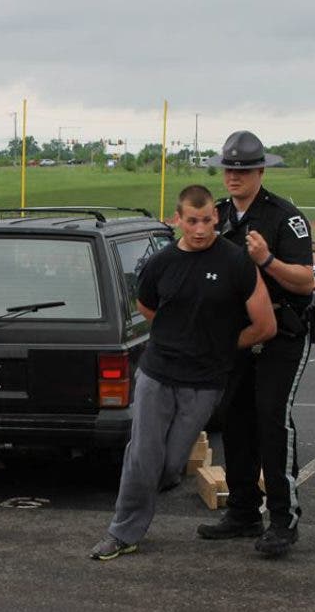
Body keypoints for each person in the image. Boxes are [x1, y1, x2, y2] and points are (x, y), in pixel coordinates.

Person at [90, 185, 276, 560]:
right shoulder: (160, 263)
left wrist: (220, 346)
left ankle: (142, 494)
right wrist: (181, 336)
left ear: (216, 218)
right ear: (178, 220)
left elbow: (265, 325)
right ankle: (122, 533)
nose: (201, 228)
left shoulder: (236, 263)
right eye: (192, 221)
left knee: (171, 464)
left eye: (207, 220)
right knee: (143, 454)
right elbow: (147, 306)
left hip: (204, 382)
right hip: (158, 373)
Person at [196, 130, 315, 558]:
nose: (234, 176)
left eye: (243, 170)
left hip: (282, 334)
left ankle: (284, 520)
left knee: (271, 419)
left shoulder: (285, 217)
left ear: (260, 171)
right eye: (229, 168)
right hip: (239, 335)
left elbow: (307, 280)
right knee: (235, 419)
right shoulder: (219, 213)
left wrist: (267, 259)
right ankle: (244, 511)